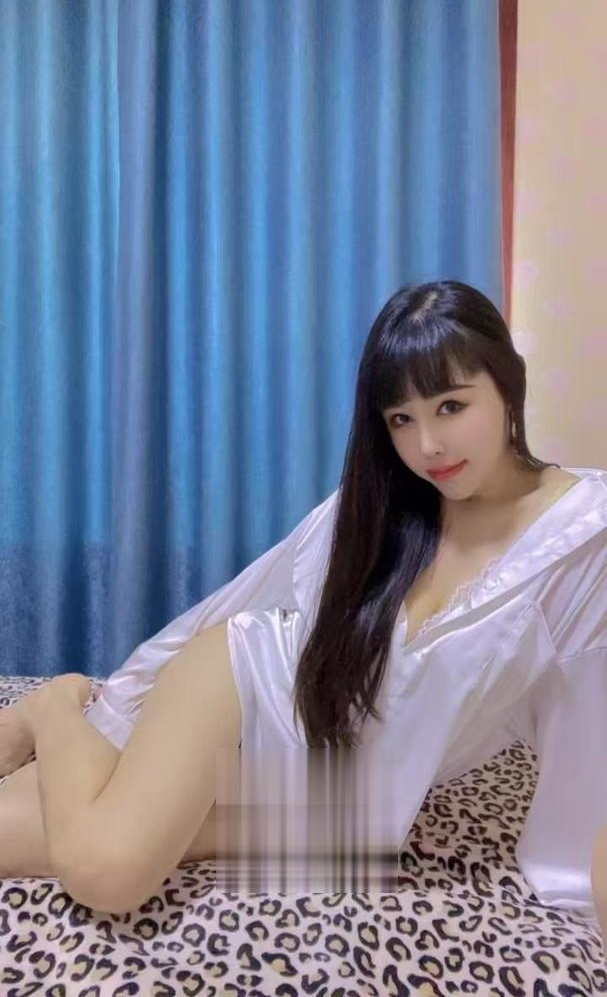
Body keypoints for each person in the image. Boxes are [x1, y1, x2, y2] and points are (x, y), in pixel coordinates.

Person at [0, 280, 606, 918]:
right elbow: (241, 602)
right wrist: (125, 700)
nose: (428, 445)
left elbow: (586, 719)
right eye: (401, 419)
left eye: (451, 406)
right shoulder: (383, 506)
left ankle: (71, 736)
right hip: (244, 691)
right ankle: (54, 706)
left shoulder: (581, 538)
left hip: (344, 816)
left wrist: (575, 880)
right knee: (109, 874)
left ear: (509, 384)